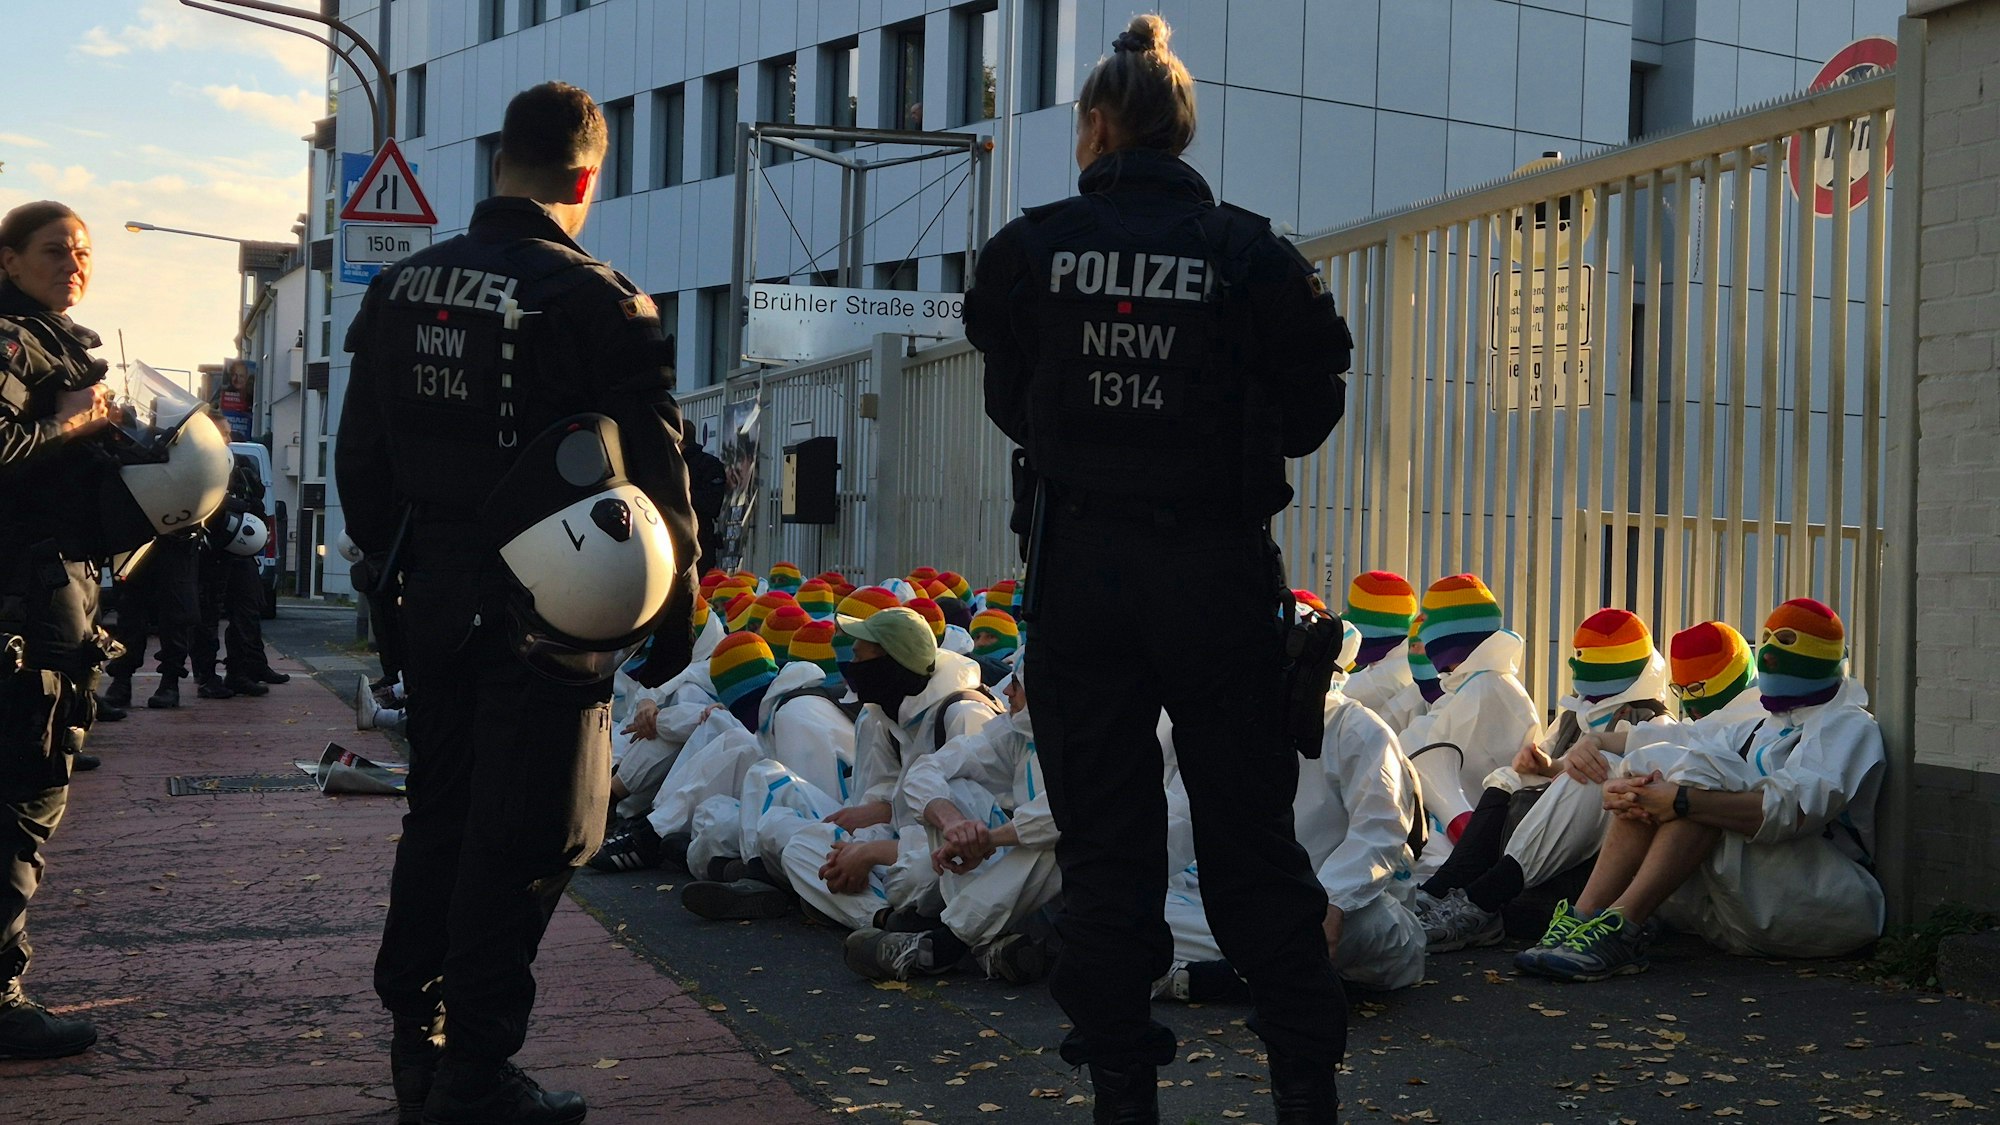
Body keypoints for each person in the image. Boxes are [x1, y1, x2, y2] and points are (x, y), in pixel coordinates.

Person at [962, 16, 1354, 1122]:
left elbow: (1011, 397)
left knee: (1103, 852)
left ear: (1096, 125)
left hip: (1080, 571)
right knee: (1251, 843)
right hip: (1216, 572)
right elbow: (1312, 407)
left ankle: (1121, 1093)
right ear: (1182, 131)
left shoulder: (1029, 250)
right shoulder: (1251, 254)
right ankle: (1303, 1091)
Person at [337, 83, 699, 1125]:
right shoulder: (597, 299)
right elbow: (658, 471)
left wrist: (401, 574)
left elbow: (360, 459)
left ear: (498, 162)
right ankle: (475, 1071)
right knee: (537, 830)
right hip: (553, 603)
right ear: (586, 176)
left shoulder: (397, 288)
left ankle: (417, 1043)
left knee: (442, 815)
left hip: (432, 594)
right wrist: (672, 612)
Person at [1524, 601, 1884, 981]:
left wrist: (1683, 801)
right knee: (1652, 771)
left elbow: (1792, 812)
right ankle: (1583, 918)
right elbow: (1680, 737)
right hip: (1743, 910)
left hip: (1824, 907)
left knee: (1699, 782)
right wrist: (1597, 744)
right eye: (1766, 639)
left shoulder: (1848, 726)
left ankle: (1622, 928)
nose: (1771, 653)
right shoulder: (1764, 725)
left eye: (1787, 640)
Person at [1155, 620, 1426, 1000]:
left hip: (1340, 905)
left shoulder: (1359, 729)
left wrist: (1334, 902)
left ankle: (1221, 977)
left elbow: (1379, 833)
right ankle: (1263, 974)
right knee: (1139, 911)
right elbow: (1183, 819)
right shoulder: (1234, 730)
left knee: (1361, 928)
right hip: (1255, 902)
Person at [1412, 608, 1673, 952]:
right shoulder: (1573, 715)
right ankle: (1449, 886)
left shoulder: (1654, 723)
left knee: (1592, 774)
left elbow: (1647, 772)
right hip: (1547, 868)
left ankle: (1479, 902)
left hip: (1595, 870)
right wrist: (1542, 766)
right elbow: (1553, 767)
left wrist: (1585, 758)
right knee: (1509, 776)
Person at [682, 431, 726, 575]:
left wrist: (681, 494)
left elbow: (712, 503)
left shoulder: (707, 465)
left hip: (699, 540)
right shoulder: (671, 465)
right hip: (684, 541)